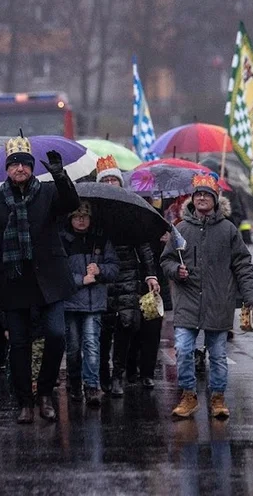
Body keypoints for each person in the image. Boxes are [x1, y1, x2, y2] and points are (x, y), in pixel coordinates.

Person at [0, 138, 80, 424]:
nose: (19, 168)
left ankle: (45, 393)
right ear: (7, 169)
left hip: (49, 279)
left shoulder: (47, 192)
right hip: (14, 279)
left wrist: (60, 174)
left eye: (24, 163)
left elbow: (72, 203)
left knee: (56, 335)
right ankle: (24, 401)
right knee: (18, 343)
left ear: (32, 168)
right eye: (14, 164)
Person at [162, 174, 253, 420]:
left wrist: (251, 299)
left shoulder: (228, 231)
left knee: (217, 355)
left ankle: (217, 398)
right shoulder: (181, 230)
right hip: (187, 301)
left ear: (216, 200)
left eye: (207, 195)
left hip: (219, 303)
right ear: (192, 200)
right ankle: (188, 396)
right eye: (198, 195)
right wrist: (176, 270)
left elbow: (243, 264)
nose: (202, 198)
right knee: (183, 349)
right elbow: (167, 260)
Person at [95, 157, 162, 395]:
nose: (111, 183)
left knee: (126, 326)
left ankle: (117, 376)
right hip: (101, 275)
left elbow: (143, 244)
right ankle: (101, 373)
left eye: (114, 179)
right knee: (102, 330)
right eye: (106, 179)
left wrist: (150, 274)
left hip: (127, 274)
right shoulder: (93, 208)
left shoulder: (130, 208)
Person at [62, 200, 118, 407]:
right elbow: (58, 271)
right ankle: (75, 381)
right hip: (71, 302)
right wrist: (80, 279)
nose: (81, 220)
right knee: (74, 347)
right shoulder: (63, 240)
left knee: (92, 344)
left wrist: (100, 271)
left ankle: (92, 386)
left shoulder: (101, 240)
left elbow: (114, 268)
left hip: (94, 303)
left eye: (85, 216)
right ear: (70, 218)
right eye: (77, 216)